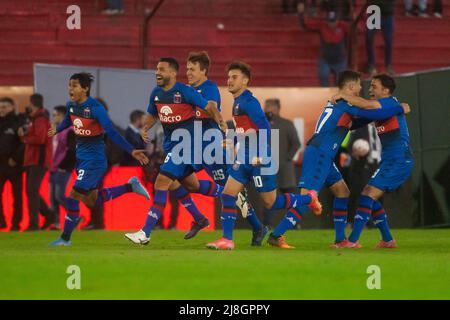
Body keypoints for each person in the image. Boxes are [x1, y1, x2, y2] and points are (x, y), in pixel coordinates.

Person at [267, 70, 409, 249]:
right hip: (320, 154)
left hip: (324, 154)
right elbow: (372, 112)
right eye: (359, 85)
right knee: (308, 198)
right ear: (351, 86)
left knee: (342, 192)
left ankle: (340, 239)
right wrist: (400, 107)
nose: (361, 88)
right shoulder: (345, 103)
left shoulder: (340, 104)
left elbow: (360, 120)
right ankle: (277, 234)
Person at [206, 61, 321, 250]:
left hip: (259, 158)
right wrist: (233, 141)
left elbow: (266, 129)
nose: (229, 80)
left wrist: (260, 154)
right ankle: (227, 240)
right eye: (228, 77)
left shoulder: (250, 102)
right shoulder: (237, 102)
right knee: (228, 194)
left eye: (234, 77)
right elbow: (246, 131)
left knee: (272, 203)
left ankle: (309, 198)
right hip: (244, 157)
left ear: (245, 81)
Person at [124, 57, 227, 246]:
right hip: (173, 146)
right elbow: (153, 114)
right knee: (188, 185)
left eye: (162, 70)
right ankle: (221, 199)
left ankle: (145, 233)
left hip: (188, 145)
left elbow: (209, 106)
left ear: (172, 73)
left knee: (162, 182)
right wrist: (145, 128)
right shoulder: (156, 93)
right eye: (156, 69)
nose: (157, 72)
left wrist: (220, 121)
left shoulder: (185, 91)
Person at [48, 73, 150, 246]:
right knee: (92, 200)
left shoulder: (96, 109)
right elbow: (67, 122)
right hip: (82, 159)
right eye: (69, 85)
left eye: (74, 85)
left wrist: (131, 150)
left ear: (85, 88)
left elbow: (111, 132)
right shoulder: (71, 106)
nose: (70, 89)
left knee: (73, 196)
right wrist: (57, 129)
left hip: (95, 160)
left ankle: (65, 239)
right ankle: (130, 186)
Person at [179, 51, 268, 245]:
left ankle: (256, 226)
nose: (188, 73)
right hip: (192, 147)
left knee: (230, 192)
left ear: (203, 71)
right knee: (174, 178)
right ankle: (199, 218)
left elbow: (211, 109)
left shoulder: (209, 89)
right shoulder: (186, 90)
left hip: (212, 149)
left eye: (192, 69)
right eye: (187, 69)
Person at [331, 74, 413, 248]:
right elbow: (359, 118)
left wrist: (345, 96)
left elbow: (366, 106)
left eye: (374, 86)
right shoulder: (387, 109)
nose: (369, 89)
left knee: (368, 194)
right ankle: (387, 240)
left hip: (399, 160)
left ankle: (352, 241)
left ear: (385, 90)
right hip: (390, 159)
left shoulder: (389, 102)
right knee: (370, 197)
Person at [263, 98, 301, 227]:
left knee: (291, 196)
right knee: (269, 197)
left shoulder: (287, 124)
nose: (265, 109)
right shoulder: (261, 124)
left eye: (268, 106)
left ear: (276, 108)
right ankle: (266, 225)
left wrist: (286, 158)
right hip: (267, 168)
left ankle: (295, 223)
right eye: (265, 106)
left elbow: (296, 143)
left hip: (285, 169)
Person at [19, 93, 53, 231]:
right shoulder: (38, 119)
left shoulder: (40, 119)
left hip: (38, 160)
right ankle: (49, 215)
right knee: (32, 191)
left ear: (32, 103)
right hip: (35, 160)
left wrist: (25, 138)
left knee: (31, 191)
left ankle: (34, 224)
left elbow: (39, 139)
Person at [298, 4, 350, 87]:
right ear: (327, 20)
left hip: (340, 60)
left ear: (337, 20)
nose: (331, 24)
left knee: (342, 84)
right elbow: (306, 26)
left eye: (333, 21)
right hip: (325, 59)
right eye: (330, 21)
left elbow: (356, 29)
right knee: (323, 76)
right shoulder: (322, 25)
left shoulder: (344, 26)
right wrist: (301, 14)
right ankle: (324, 97)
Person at [48, 105, 76, 230]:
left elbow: (72, 151)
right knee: (53, 197)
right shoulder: (57, 131)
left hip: (62, 168)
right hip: (53, 167)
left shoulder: (70, 130)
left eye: (56, 115)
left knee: (59, 195)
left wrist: (63, 166)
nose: (54, 118)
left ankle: (75, 216)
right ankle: (56, 222)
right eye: (53, 115)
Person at [0, 97, 24, 231]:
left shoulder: (18, 122)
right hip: (0, 164)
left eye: (4, 107)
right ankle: (1, 222)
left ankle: (16, 223)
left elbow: (24, 143)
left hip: (14, 165)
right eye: (0, 107)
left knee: (17, 196)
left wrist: (16, 158)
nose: (1, 109)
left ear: (12, 107)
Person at [366, 0, 396, 76]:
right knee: (369, 37)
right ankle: (371, 64)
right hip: (374, 13)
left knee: (388, 40)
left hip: (387, 13)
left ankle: (388, 65)